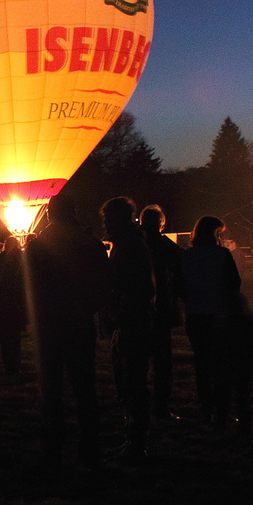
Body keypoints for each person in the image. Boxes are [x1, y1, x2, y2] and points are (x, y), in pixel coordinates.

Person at [27, 195, 110, 469]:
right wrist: (88, 308)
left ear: (49, 215)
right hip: (79, 322)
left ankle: (53, 447)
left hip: (48, 326)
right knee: (84, 386)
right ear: (73, 211)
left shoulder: (37, 246)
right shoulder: (90, 244)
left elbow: (26, 285)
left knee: (51, 389)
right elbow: (103, 284)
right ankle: (90, 446)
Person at [102, 197, 156, 460]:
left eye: (107, 219)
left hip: (132, 322)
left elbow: (133, 286)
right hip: (129, 320)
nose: (104, 224)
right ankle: (133, 438)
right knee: (128, 381)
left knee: (132, 381)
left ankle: (136, 441)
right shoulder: (130, 244)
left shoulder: (129, 247)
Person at [179, 215, 241, 429]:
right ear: (215, 234)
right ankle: (222, 412)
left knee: (203, 365)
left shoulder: (188, 256)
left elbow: (178, 285)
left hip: (196, 314)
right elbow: (234, 283)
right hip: (218, 314)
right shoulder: (222, 255)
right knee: (221, 365)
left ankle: (206, 411)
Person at [140, 205, 183, 421]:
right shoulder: (167, 247)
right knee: (162, 361)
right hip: (161, 310)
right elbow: (183, 271)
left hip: (137, 311)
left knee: (136, 362)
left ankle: (137, 407)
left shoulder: (133, 245)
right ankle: (161, 406)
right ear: (161, 224)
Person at [0, 237, 28, 375]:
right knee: (16, 335)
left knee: (5, 335)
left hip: (4, 298)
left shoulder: (3, 257)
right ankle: (16, 362)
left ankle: (8, 364)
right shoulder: (22, 257)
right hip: (18, 299)